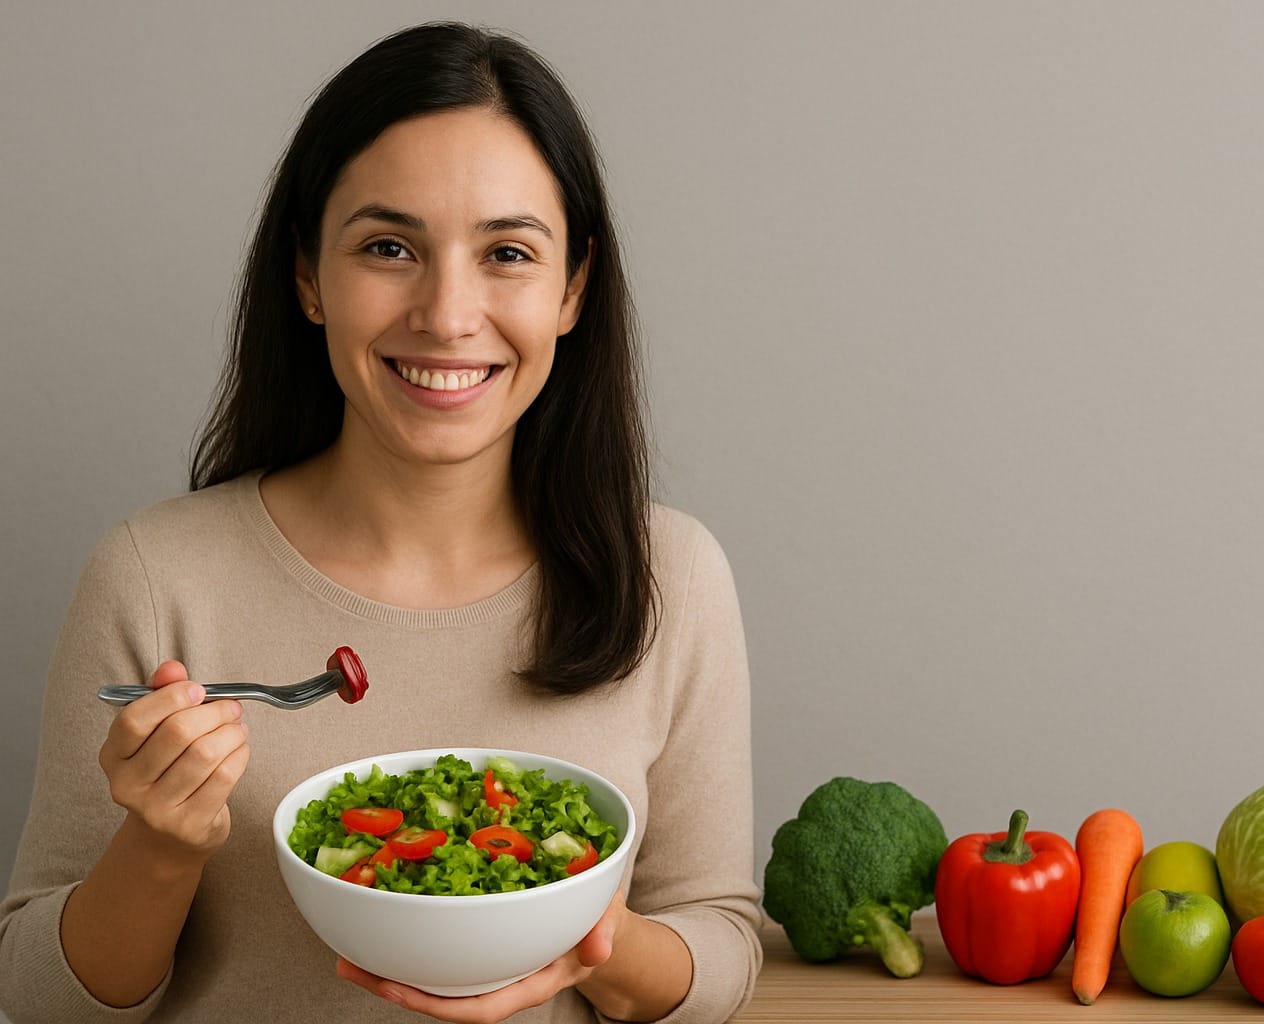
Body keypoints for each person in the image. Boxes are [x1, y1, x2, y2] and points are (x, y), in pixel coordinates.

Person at [0, 21, 760, 1024]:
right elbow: (33, 993)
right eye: (389, 247)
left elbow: (725, 950)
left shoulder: (672, 573)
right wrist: (162, 844)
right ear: (309, 277)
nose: (448, 313)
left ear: (572, 289)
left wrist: (586, 937)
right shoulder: (155, 576)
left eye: (508, 253)